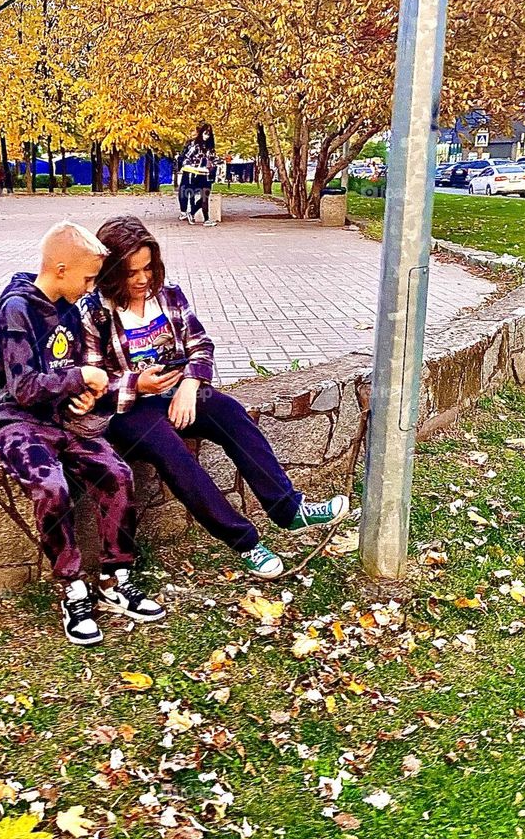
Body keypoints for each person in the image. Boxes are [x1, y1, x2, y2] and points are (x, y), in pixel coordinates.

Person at [77, 215, 349, 580]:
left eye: (147, 267)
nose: (142, 279)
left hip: (180, 389)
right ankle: (246, 543)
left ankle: (288, 509)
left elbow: (200, 344)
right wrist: (137, 386)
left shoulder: (167, 294)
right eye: (130, 273)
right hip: (127, 410)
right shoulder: (95, 313)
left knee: (230, 413)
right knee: (168, 447)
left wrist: (190, 385)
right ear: (111, 272)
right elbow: (93, 384)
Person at [0, 221, 166, 646]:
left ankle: (114, 579)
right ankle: (72, 588)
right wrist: (81, 375)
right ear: (60, 269)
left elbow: (70, 368)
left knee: (116, 474)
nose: (90, 286)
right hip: (18, 419)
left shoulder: (69, 304)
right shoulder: (17, 310)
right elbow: (24, 387)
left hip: (60, 416)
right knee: (51, 487)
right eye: (86, 278)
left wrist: (80, 394)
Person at [178, 124, 218, 227]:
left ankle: (193, 214)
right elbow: (186, 158)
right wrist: (193, 167)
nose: (206, 136)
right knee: (197, 194)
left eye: (208, 134)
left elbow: (213, 159)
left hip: (205, 174)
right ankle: (205, 219)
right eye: (205, 134)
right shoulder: (195, 145)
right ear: (201, 133)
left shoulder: (210, 147)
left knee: (205, 195)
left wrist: (214, 164)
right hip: (194, 174)